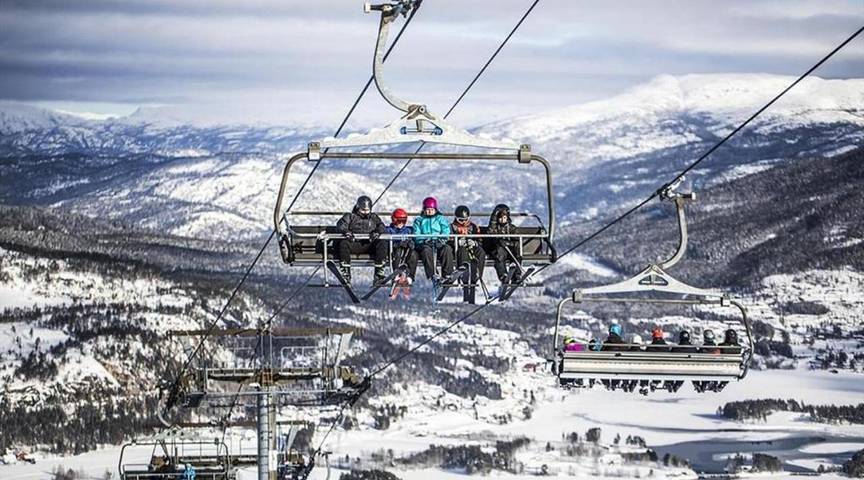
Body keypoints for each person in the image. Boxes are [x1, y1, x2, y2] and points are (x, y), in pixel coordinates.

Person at [336, 195, 387, 284]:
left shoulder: (373, 217)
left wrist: (377, 231)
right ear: (358, 207)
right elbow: (341, 224)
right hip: (355, 244)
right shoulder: (350, 216)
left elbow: (381, 226)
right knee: (343, 243)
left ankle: (379, 273)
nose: (365, 213)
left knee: (381, 243)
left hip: (369, 244)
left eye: (367, 210)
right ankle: (346, 273)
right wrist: (346, 231)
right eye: (363, 210)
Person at [413, 196, 454, 282]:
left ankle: (447, 274)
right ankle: (433, 275)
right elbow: (416, 234)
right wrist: (424, 240)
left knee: (447, 249)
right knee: (425, 250)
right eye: (427, 210)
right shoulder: (419, 220)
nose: (429, 212)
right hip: (426, 243)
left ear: (435, 210)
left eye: (431, 210)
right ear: (424, 209)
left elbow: (446, 230)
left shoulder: (440, 219)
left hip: (438, 242)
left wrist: (441, 240)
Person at [450, 205, 486, 303]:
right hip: (460, 250)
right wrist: (456, 242)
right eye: (460, 220)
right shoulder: (452, 227)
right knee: (463, 251)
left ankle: (477, 274)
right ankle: (464, 273)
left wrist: (475, 242)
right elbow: (448, 240)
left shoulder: (473, 227)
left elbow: (480, 239)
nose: (463, 222)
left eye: (465, 220)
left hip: (472, 248)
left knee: (481, 252)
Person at [487, 203, 522, 286]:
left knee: (516, 254)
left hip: (510, 250)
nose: (502, 220)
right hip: (499, 251)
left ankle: (516, 275)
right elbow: (490, 231)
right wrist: (494, 216)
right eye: (500, 218)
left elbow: (517, 242)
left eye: (504, 218)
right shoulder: (495, 228)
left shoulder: (512, 228)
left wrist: (507, 243)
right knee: (499, 253)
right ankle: (503, 275)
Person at [384, 208, 419, 286]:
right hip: (395, 252)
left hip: (407, 253)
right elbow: (384, 242)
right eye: (398, 221)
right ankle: (396, 274)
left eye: (403, 221)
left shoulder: (408, 230)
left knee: (414, 254)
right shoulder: (388, 230)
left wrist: (411, 243)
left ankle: (410, 277)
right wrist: (396, 244)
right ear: (393, 220)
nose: (400, 223)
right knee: (398, 251)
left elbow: (414, 239)